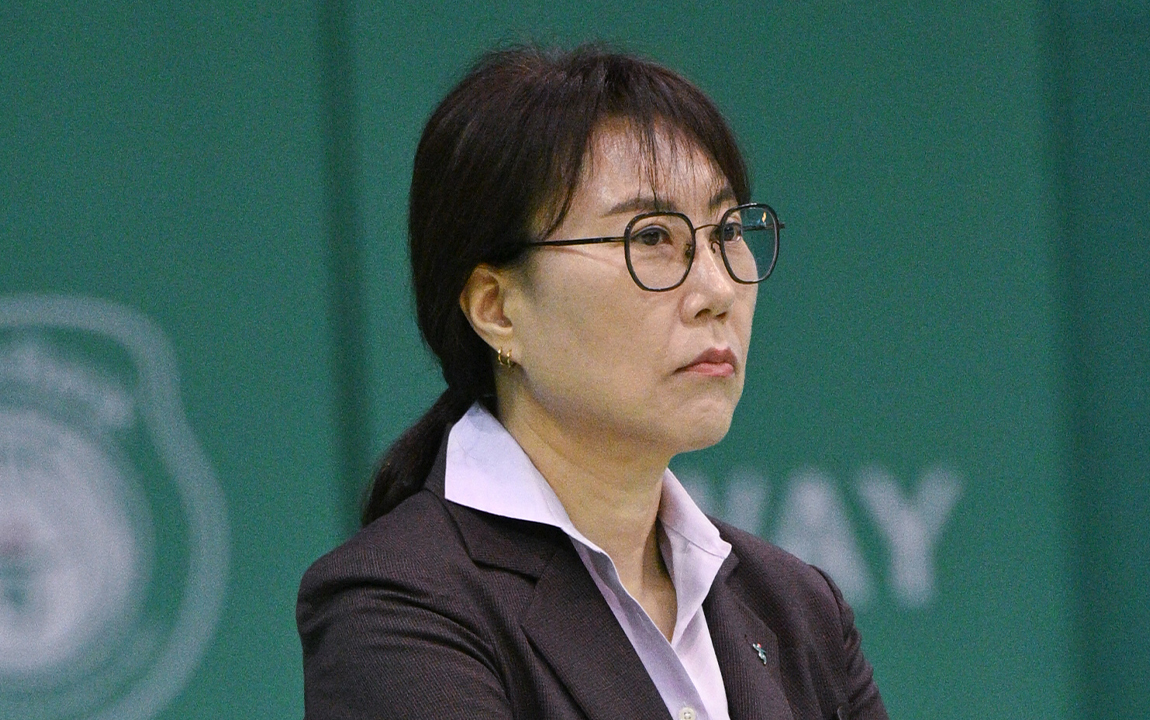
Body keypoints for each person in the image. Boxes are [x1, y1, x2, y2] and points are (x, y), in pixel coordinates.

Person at [297, 44, 889, 720]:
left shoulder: (799, 608)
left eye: (727, 230)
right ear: (496, 308)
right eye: (651, 238)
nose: (718, 290)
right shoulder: (397, 606)